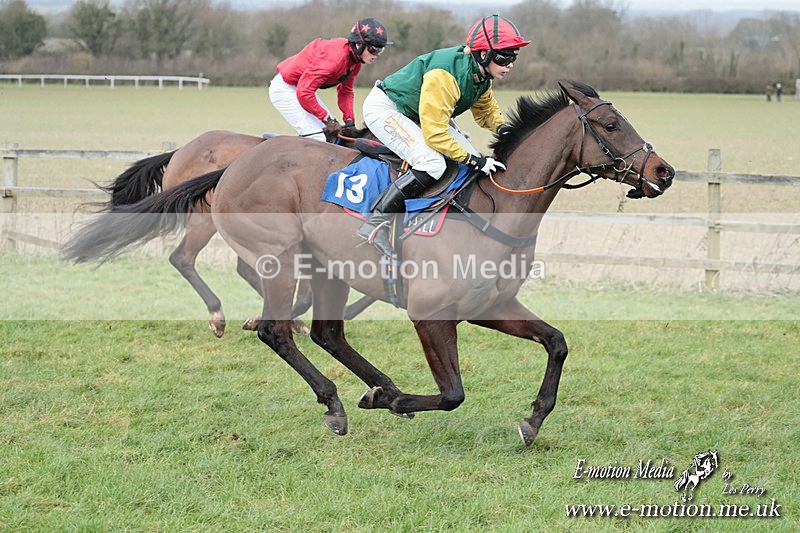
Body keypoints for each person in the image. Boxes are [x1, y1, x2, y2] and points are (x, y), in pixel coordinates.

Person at [356, 14, 530, 256]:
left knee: (472, 159)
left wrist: (510, 131)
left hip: (418, 114)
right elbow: (435, 134)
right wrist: (475, 160)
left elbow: (487, 113)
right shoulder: (445, 75)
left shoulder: (481, 76)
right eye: (504, 56)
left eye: (514, 57)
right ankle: (375, 223)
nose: (510, 63)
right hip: (387, 108)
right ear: (483, 54)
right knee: (433, 162)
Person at [268, 18, 392, 142]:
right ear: (359, 44)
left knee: (333, 137)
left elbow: (345, 92)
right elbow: (304, 93)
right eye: (374, 49)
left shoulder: (355, 62)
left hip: (301, 89)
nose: (377, 55)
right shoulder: (334, 59)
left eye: (381, 50)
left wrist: (349, 121)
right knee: (318, 138)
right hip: (285, 88)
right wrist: (327, 119)